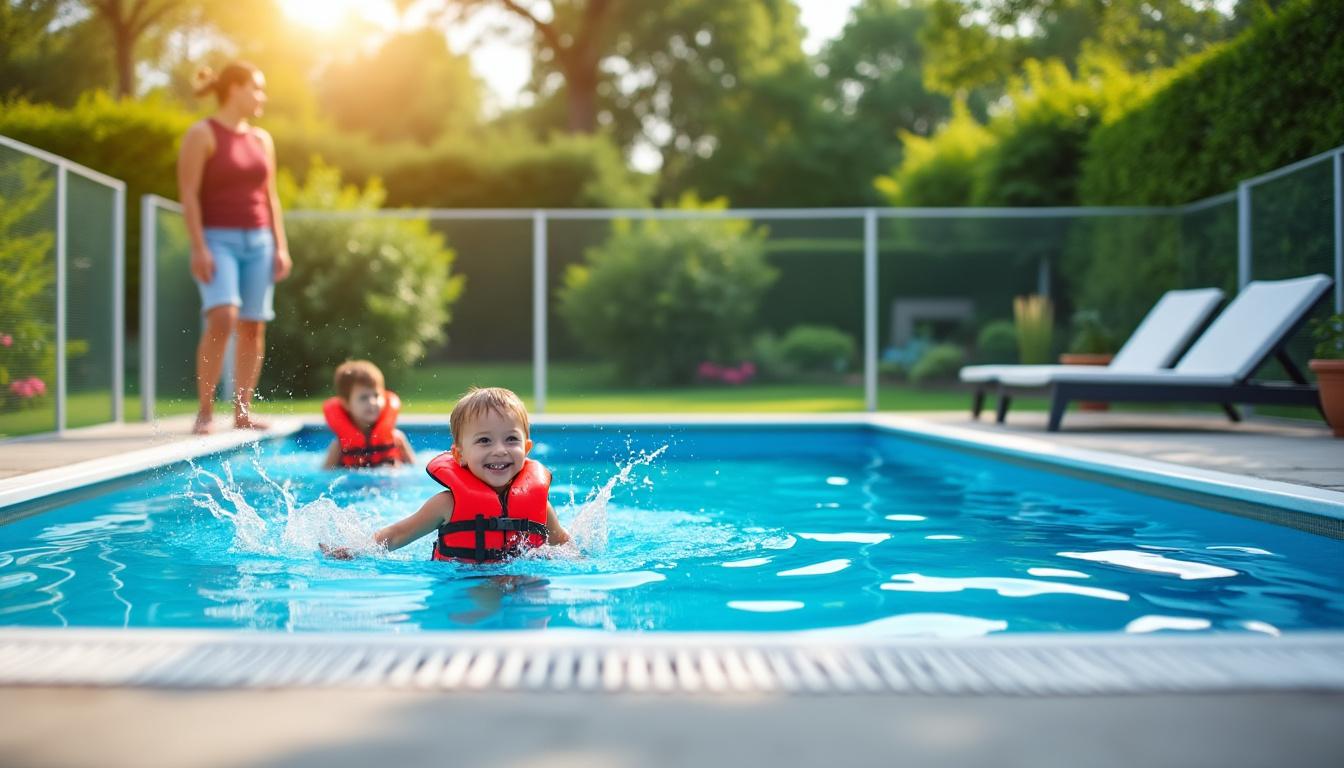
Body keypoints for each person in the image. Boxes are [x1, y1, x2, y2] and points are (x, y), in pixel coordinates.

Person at [321, 387, 570, 561]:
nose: (499, 451)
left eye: (511, 439)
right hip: (462, 584)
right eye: (484, 440)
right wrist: (356, 550)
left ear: (526, 449)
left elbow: (565, 546)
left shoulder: (540, 506)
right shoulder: (446, 504)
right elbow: (398, 534)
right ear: (459, 455)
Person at [177, 61, 292, 435]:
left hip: (259, 242)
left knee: (253, 325)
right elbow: (189, 196)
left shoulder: (262, 139)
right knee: (223, 317)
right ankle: (206, 410)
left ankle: (242, 411)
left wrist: (280, 246)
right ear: (235, 89)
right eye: (257, 88)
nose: (263, 96)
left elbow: (270, 196)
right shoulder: (202, 133)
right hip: (217, 240)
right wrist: (198, 247)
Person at [322, 360, 415, 469]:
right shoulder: (339, 446)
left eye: (376, 395)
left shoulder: (397, 438)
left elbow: (415, 469)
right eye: (363, 397)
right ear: (346, 403)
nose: (372, 402)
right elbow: (326, 475)